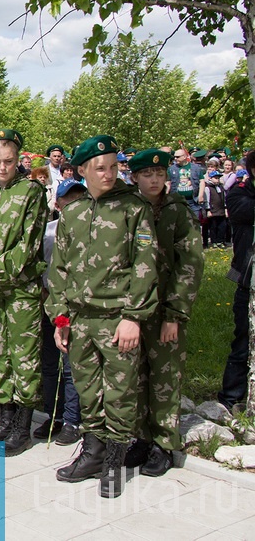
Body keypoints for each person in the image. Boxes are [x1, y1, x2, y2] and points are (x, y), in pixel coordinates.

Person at [48, 135, 158, 498]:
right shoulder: (73, 212)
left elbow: (146, 265)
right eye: (100, 168)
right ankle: (92, 453)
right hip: (79, 319)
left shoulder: (133, 208)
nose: (109, 173)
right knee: (88, 390)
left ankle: (114, 460)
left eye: (113, 166)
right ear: (82, 171)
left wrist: (134, 316)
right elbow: (59, 269)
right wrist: (60, 319)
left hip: (117, 317)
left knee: (121, 392)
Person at [0, 129, 48, 458]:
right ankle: (5, 417)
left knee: (24, 356)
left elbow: (29, 244)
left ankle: (22, 427)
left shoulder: (30, 191)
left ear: (19, 159)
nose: (2, 167)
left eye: (9, 161)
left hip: (20, 289)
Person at [126, 148, 203, 477]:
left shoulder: (178, 210)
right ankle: (142, 437)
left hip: (165, 309)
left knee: (165, 377)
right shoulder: (129, 209)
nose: (155, 180)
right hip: (135, 309)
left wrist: (175, 313)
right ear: (135, 178)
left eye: (159, 174)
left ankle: (164, 443)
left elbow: (191, 264)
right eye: (147, 174)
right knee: (138, 376)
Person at [35, 178, 86, 446]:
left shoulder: (92, 231)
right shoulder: (49, 232)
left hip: (76, 308)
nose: (75, 207)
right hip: (50, 304)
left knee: (71, 366)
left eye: (81, 200)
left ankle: (71, 419)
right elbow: (43, 268)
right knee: (49, 364)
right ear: (57, 205)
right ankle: (51, 415)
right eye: (69, 202)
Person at [220, 149, 255, 409]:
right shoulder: (239, 195)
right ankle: (231, 397)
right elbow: (246, 212)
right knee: (243, 340)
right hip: (248, 281)